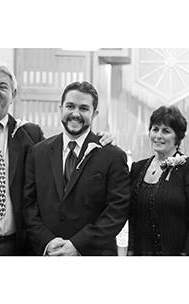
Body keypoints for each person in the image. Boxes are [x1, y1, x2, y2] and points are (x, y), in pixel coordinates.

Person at [0, 60, 114, 256]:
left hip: (17, 247)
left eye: (2, 86)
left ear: (13, 95)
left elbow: (60, 162)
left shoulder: (29, 134)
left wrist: (99, 138)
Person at [23, 81, 130, 256]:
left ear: (94, 113)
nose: (75, 114)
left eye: (84, 108)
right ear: (61, 108)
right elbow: (28, 204)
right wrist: (47, 241)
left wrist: (78, 245)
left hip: (93, 254)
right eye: (70, 106)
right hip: (46, 253)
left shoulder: (113, 155)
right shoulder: (38, 152)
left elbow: (117, 209)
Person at [128, 105, 189, 256]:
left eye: (166, 131)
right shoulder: (137, 168)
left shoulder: (186, 168)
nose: (158, 135)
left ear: (178, 137)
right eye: (155, 129)